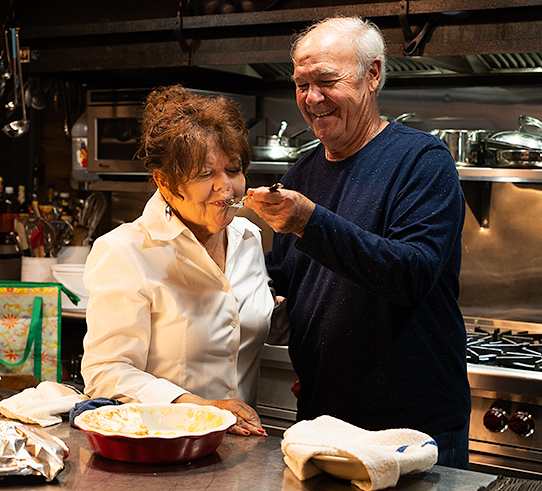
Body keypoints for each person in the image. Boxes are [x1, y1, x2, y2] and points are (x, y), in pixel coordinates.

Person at [245, 17, 471, 467]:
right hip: (323, 422)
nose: (311, 99)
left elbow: (411, 273)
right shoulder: (301, 173)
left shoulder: (423, 160)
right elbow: (283, 278)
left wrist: (310, 221)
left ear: (372, 75)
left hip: (414, 426)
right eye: (301, 84)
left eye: (326, 80)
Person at [81, 85, 271, 436]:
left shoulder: (248, 239)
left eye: (233, 169)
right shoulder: (125, 251)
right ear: (165, 183)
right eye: (204, 174)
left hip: (242, 452)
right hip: (162, 449)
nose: (225, 186)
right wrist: (200, 408)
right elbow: (106, 371)